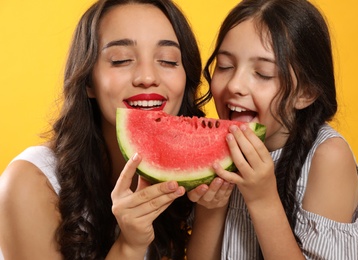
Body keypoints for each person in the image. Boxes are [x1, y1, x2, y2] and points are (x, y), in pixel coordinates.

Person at [0, 0, 209, 259]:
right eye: (121, 60)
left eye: (167, 61)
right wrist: (129, 245)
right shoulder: (30, 182)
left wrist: (213, 208)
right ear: (88, 80)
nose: (147, 76)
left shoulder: (189, 181)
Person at [186, 0, 358, 259]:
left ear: (307, 92)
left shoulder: (328, 158)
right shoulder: (220, 152)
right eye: (225, 66)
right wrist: (210, 209)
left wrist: (263, 200)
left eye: (264, 73)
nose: (235, 84)